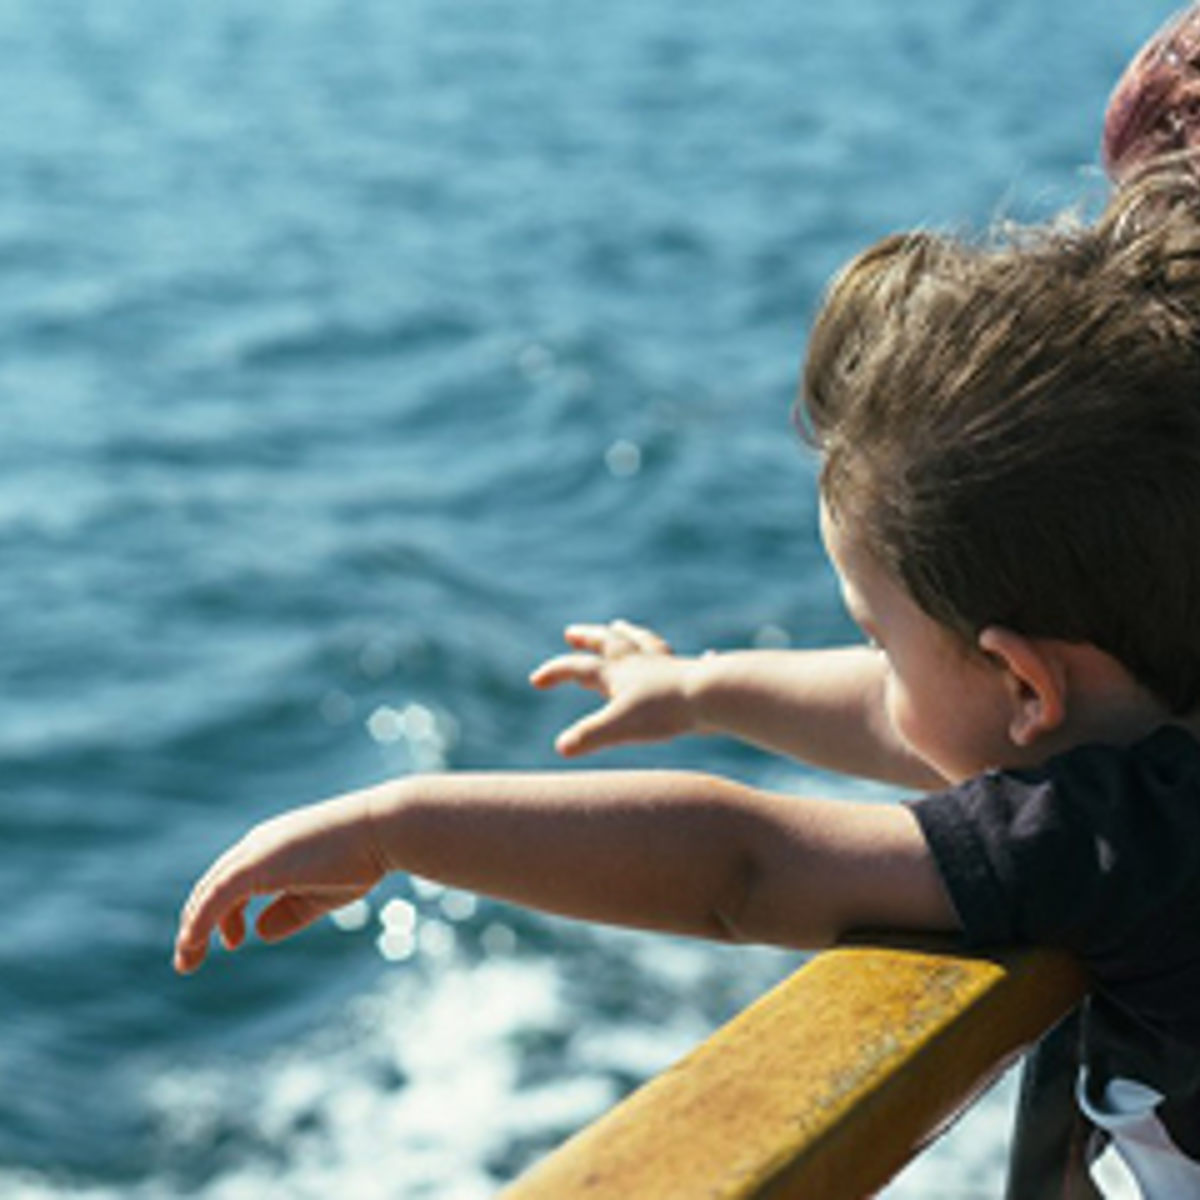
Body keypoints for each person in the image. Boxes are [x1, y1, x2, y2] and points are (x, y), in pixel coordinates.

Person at [174, 164, 1200, 1197]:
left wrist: (393, 828)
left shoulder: (1118, 843)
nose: (876, 677)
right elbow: (907, 721)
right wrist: (698, 689)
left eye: (882, 642)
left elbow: (742, 870)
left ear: (1025, 687)